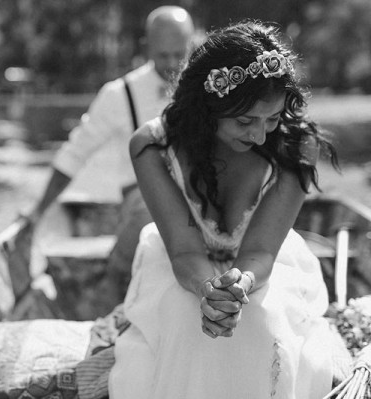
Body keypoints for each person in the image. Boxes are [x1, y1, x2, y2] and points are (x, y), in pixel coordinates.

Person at [109, 20, 341, 398]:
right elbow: (184, 251)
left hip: (265, 263)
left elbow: (262, 250)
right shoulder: (151, 147)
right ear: (208, 107)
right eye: (245, 120)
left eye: (272, 118)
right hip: (177, 261)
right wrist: (208, 291)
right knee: (187, 325)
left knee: (261, 322)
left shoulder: (296, 147)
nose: (259, 135)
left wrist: (239, 286)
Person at [23, 6, 196, 309]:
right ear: (146, 48)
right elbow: (74, 155)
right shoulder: (119, 95)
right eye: (163, 55)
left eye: (179, 55)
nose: (172, 65)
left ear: (191, 46)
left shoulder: (208, 86)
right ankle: (117, 279)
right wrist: (38, 213)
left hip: (197, 195)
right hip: (143, 204)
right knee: (147, 211)